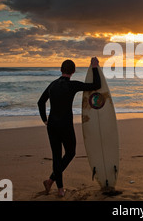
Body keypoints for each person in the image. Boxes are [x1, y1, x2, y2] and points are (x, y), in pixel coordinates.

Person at [38, 58, 101, 197]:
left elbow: (40, 102)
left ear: (61, 70)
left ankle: (56, 186)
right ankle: (52, 182)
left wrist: (45, 120)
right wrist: (95, 67)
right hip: (65, 125)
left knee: (56, 156)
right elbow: (96, 85)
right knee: (70, 153)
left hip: (52, 125)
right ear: (73, 71)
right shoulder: (72, 85)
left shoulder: (52, 85)